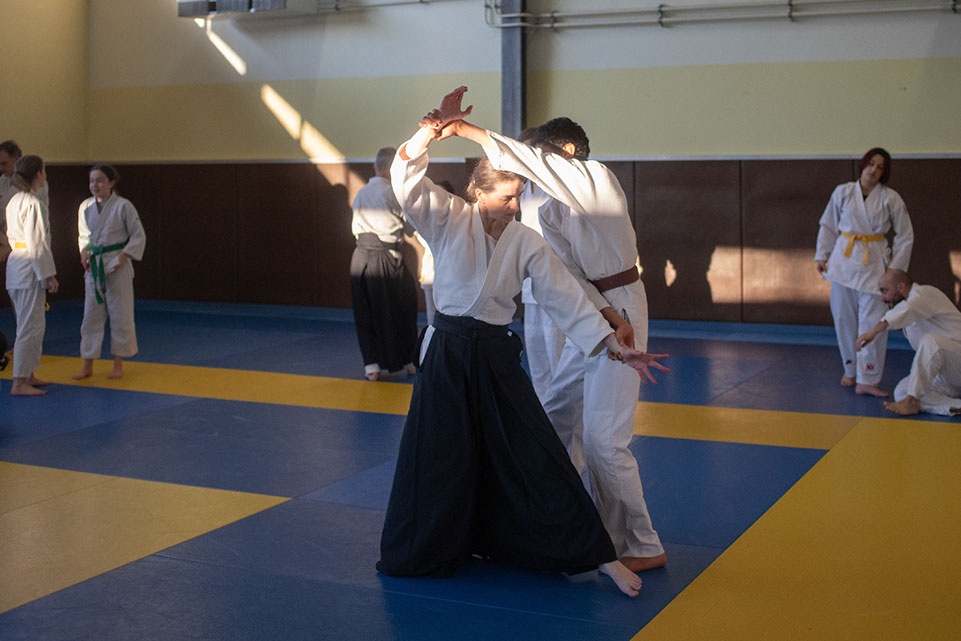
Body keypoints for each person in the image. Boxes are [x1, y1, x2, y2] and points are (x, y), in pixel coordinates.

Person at [377, 92, 668, 598]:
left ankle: (596, 551)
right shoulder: (447, 217)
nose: (515, 207)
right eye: (506, 197)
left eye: (518, 196)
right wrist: (430, 132)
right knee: (442, 455)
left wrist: (611, 342)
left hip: (496, 355)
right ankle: (442, 543)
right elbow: (406, 179)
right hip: (447, 353)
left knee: (537, 451)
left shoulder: (534, 234)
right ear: (478, 192)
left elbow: (563, 295)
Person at [815, 148, 913, 397]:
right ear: (863, 165)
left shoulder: (890, 198)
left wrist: (895, 271)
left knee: (872, 323)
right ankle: (850, 370)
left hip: (874, 267)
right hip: (843, 264)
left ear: (884, 173)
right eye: (871, 164)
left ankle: (867, 378)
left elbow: (905, 235)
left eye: (880, 167)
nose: (874, 170)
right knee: (843, 320)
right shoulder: (843, 192)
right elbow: (828, 224)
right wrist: (822, 255)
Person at [349, 146, 419, 381]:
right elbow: (410, 228)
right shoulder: (392, 193)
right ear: (392, 169)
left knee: (365, 311)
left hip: (359, 257)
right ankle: (407, 361)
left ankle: (372, 366)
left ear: (375, 166)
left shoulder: (361, 193)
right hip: (385, 257)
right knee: (402, 308)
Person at [72, 164, 146, 380]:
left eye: (100, 180)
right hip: (94, 265)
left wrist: (124, 255)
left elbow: (138, 235)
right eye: (92, 181)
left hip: (117, 265)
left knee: (120, 315)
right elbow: (83, 236)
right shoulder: (85, 206)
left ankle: (118, 364)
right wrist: (83, 252)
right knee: (90, 317)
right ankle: (87, 364)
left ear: (112, 183)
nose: (95, 185)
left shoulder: (123, 206)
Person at [856, 269, 961, 416]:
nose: (882, 298)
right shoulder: (909, 312)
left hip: (957, 362)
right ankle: (954, 406)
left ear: (900, 287)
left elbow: (909, 309)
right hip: (947, 376)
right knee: (902, 391)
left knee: (931, 342)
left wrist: (873, 331)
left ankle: (911, 401)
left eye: (884, 291)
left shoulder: (925, 293)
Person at [515, 127, 568, 403]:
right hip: (530, 283)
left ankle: (564, 417)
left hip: (556, 280)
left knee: (557, 353)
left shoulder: (558, 186)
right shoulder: (523, 189)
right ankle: (544, 414)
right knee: (536, 355)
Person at [5, 154, 58, 396]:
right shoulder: (33, 203)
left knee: (33, 325)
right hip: (28, 268)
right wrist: (49, 275)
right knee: (29, 327)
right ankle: (19, 382)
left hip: (18, 266)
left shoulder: (15, 200)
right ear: (38, 174)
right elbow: (37, 243)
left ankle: (28, 374)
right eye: (43, 171)